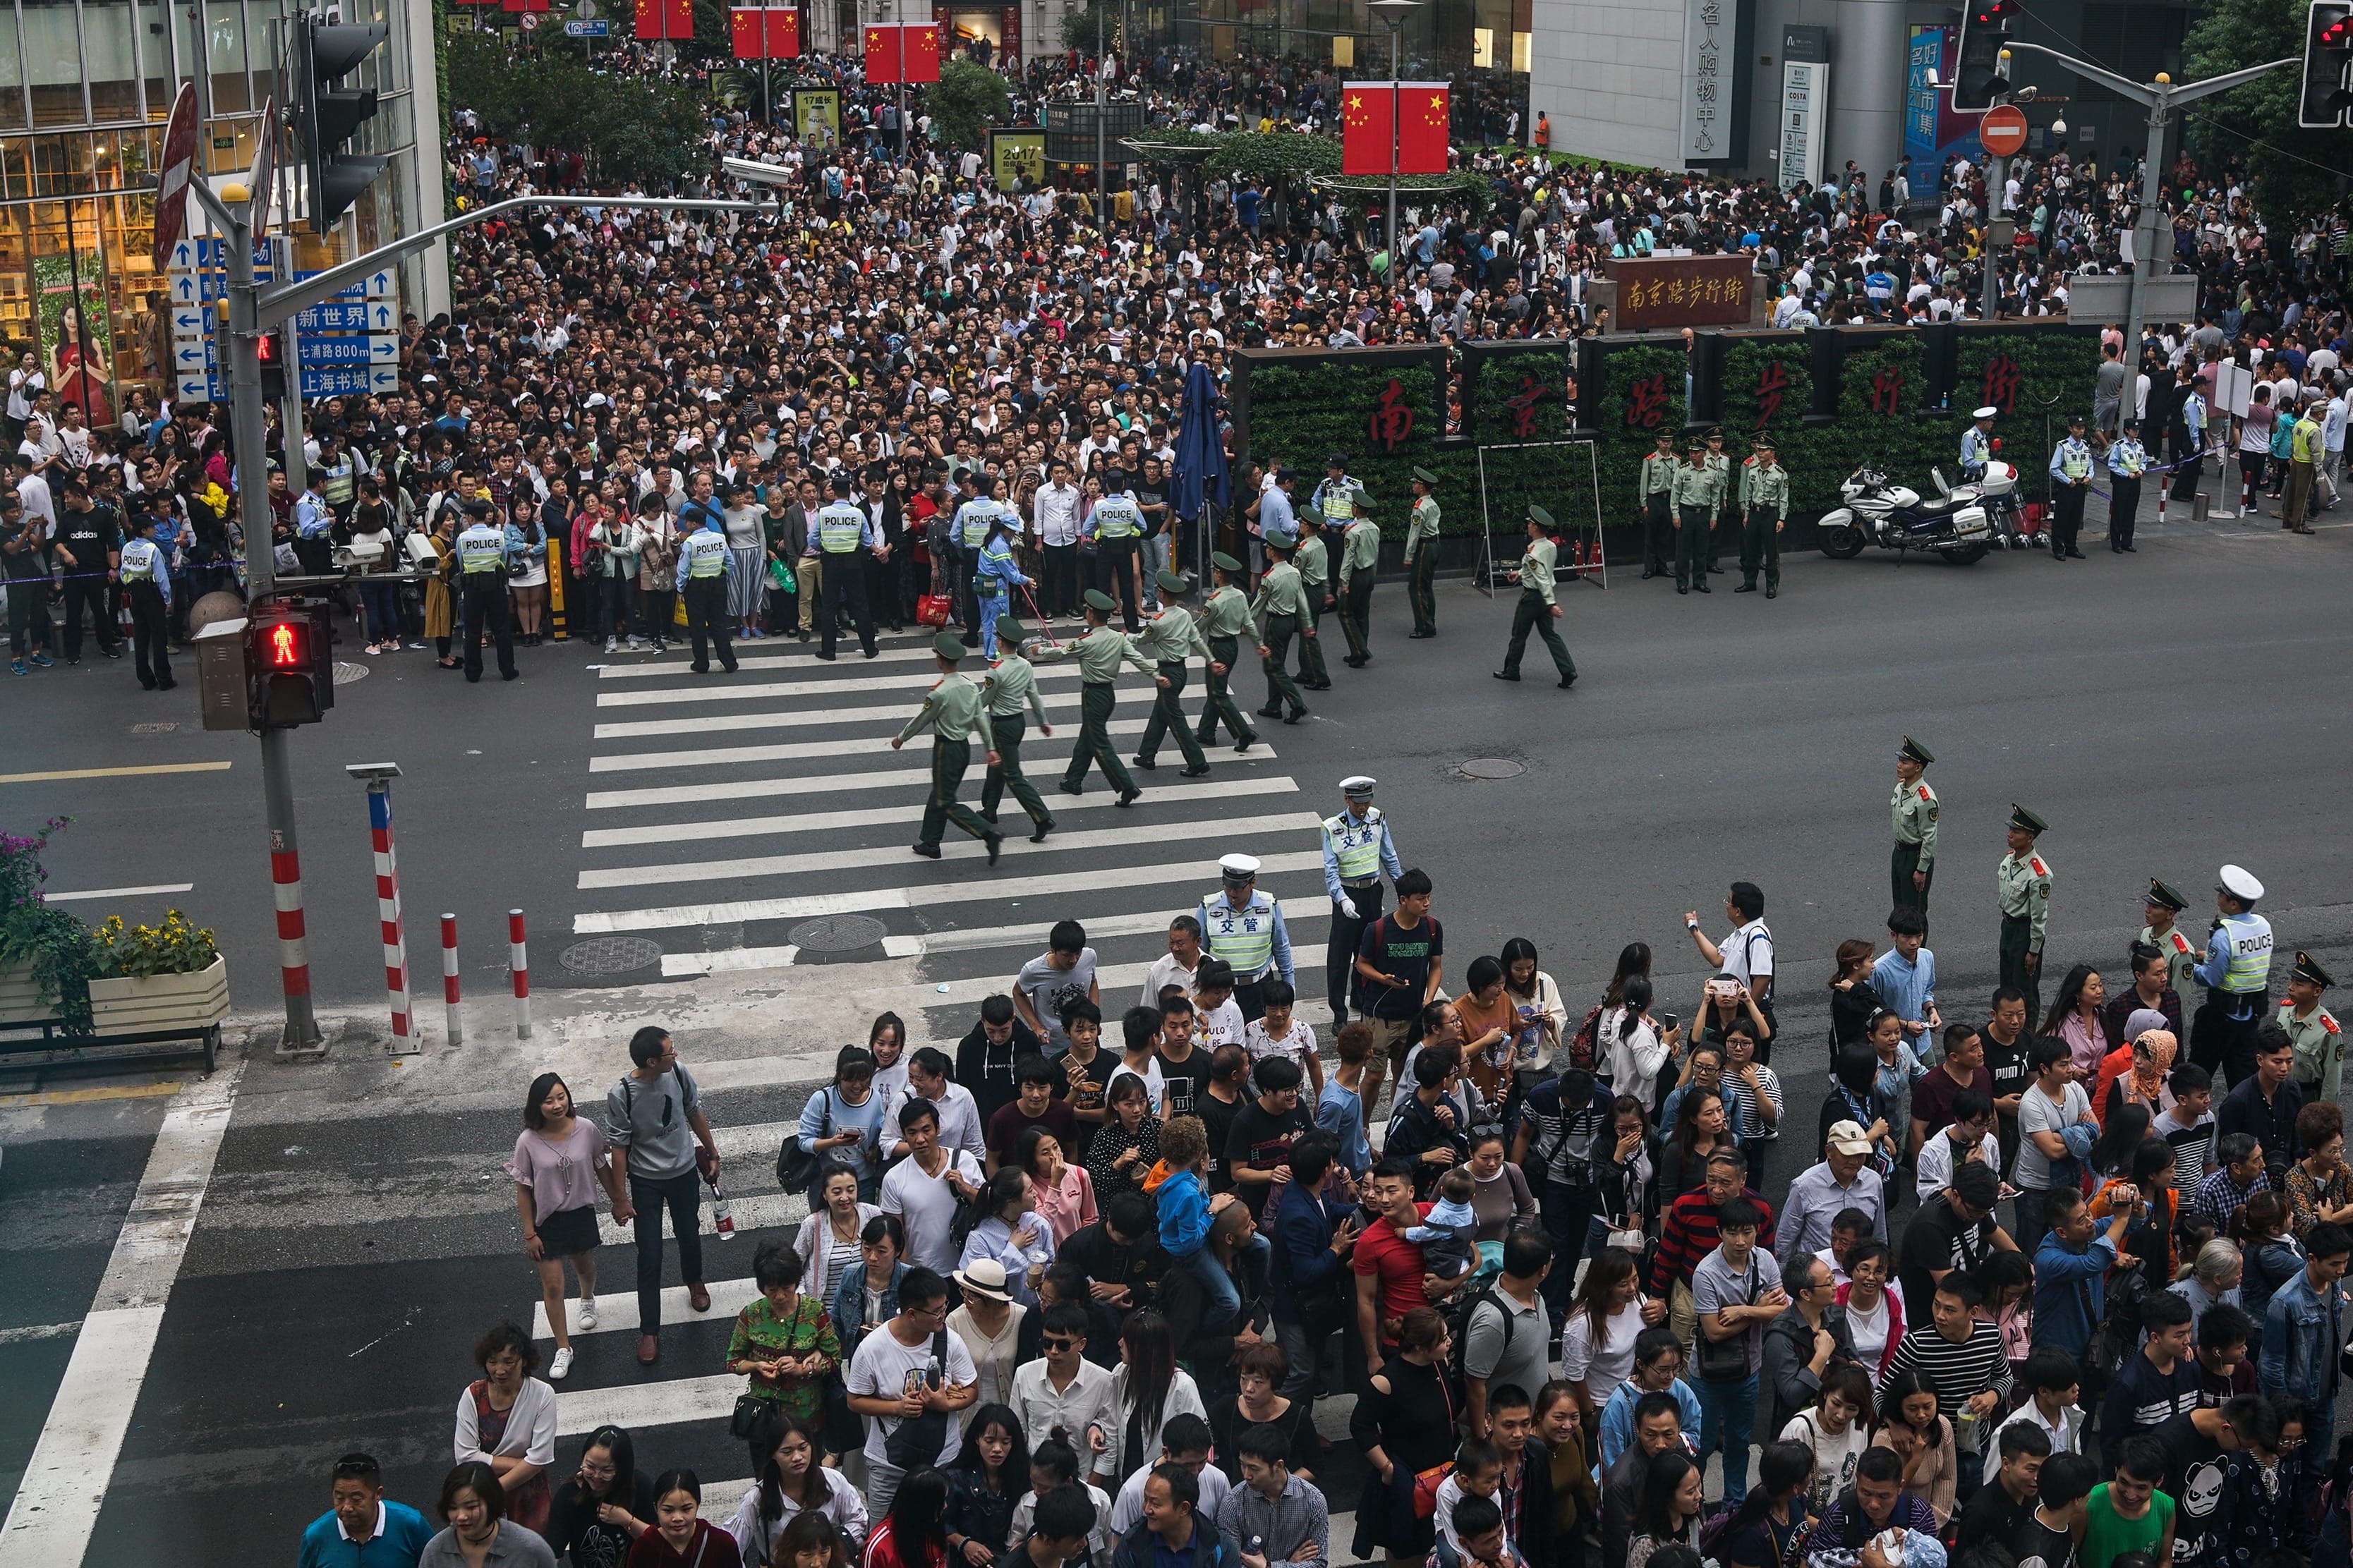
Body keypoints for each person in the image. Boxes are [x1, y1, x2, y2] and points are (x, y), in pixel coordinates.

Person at [603, 1025, 718, 1366]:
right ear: (652, 1061)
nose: (676, 1055)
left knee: (689, 1233)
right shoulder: (622, 1093)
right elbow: (619, 1150)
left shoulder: (679, 1074)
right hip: (646, 1182)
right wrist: (620, 1198)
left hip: (683, 1172)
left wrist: (711, 1152)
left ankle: (694, 1281)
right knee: (650, 1255)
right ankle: (650, 1331)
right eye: (670, 1051)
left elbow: (694, 1112)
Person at [508, 1071, 625, 1382]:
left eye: (561, 1097)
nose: (557, 1105)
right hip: (547, 1221)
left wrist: (618, 1200)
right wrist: (529, 1232)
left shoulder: (586, 1130)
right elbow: (523, 1189)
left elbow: (602, 1166)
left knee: (584, 1266)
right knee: (553, 1285)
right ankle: (564, 1347)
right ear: (537, 1106)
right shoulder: (528, 1142)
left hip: (579, 1214)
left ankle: (587, 1299)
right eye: (549, 1101)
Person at [847, 1267, 980, 1517]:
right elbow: (855, 1400)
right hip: (889, 1463)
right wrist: (897, 1408)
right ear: (912, 1314)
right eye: (936, 1311)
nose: (944, 1315)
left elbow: (972, 1389)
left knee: (939, 1534)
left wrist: (945, 1404)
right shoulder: (873, 1348)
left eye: (945, 1306)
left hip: (942, 1459)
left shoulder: (950, 1341)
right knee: (884, 1533)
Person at [1690, 1197, 1783, 1507]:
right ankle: (1693, 1501)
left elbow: (1780, 1311)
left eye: (1748, 1232)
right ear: (1720, 1233)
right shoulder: (1706, 1273)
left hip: (1749, 1370)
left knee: (1739, 1442)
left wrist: (1745, 1311)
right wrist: (1758, 1312)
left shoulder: (1765, 1261)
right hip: (1708, 1375)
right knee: (1700, 1446)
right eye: (1733, 1233)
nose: (1741, 1241)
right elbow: (1714, 1332)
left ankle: (1734, 1506)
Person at [1350, 1306, 1458, 1565]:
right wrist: (1386, 1467)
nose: (1449, 1342)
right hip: (1408, 1482)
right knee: (1406, 1553)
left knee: (1433, 1543)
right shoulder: (1387, 1381)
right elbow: (1360, 1425)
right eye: (1443, 1339)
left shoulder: (1439, 1364)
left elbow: (1452, 1408)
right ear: (1421, 1347)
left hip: (1441, 1474)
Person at [894, 633, 1008, 865]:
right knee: (939, 793)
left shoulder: (940, 692)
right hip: (963, 749)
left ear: (940, 660)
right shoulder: (968, 685)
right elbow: (980, 717)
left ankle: (987, 833)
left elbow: (922, 719)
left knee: (945, 800)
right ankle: (930, 842)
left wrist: (901, 738)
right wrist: (991, 747)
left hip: (946, 750)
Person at [452, 1320, 558, 1536]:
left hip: (524, 1494)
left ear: (524, 1361)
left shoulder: (542, 1395)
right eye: (493, 1362)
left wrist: (494, 1491)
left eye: (509, 1362)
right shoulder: (472, 1396)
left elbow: (540, 1456)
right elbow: (465, 1456)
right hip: (485, 1488)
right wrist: (520, 1464)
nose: (500, 1371)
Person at [2258, 1220, 2350, 1457]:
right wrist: (2285, 1411)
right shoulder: (2285, 1302)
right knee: (2290, 1467)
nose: (2342, 1270)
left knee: (2316, 1466)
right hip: (2297, 1402)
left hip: (2326, 1394)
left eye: (2345, 1262)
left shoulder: (2335, 1283)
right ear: (2311, 1259)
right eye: (2335, 1264)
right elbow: (2271, 1364)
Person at [727, 1412, 869, 1560]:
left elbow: (858, 1518)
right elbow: (730, 1545)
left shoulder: (834, 1481)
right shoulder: (757, 1499)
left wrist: (833, 1546)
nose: (797, 1457)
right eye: (787, 1452)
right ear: (773, 1455)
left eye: (803, 1448)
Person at [1322, 775, 1403, 1031]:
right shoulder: (1332, 827)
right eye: (1357, 802)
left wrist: (1402, 888)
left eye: (1366, 802)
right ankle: (1339, 1012)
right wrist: (1342, 899)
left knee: (1369, 949)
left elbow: (1388, 855)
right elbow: (1330, 870)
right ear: (1347, 799)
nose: (1362, 807)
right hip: (1348, 893)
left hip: (1372, 892)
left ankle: (1360, 996)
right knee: (1340, 954)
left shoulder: (1378, 818)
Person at [1760, 1252, 1858, 1439]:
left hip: (1840, 1422)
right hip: (1799, 1430)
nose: (1836, 1286)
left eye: (1833, 1279)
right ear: (1805, 1294)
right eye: (1828, 1283)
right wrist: (1821, 1357)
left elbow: (1853, 1360)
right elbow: (1792, 1395)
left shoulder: (1836, 1317)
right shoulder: (1780, 1335)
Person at [883, 1098, 987, 1274]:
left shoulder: (964, 1160)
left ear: (938, 1129)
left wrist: (965, 1188)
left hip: (966, 1269)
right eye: (912, 1133)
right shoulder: (894, 1178)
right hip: (921, 1273)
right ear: (904, 1135)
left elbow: (990, 1206)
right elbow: (897, 1235)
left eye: (926, 1130)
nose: (920, 1139)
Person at [979, 615, 1058, 844]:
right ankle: (989, 808)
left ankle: (1042, 817)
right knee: (997, 766)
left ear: (1001, 642)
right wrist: (1043, 721)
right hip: (1018, 723)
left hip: (1002, 725)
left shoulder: (995, 671)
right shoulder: (1025, 665)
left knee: (1012, 775)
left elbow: (983, 700)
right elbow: (1034, 695)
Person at [2193, 865, 2275, 1085]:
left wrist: (2190, 967)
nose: (2218, 897)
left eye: (2222, 895)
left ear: (2234, 904)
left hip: (2221, 1017)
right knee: (2243, 1081)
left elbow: (2211, 978)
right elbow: (2245, 960)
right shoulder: (2263, 925)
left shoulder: (2224, 935)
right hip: (2250, 1016)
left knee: (2197, 1076)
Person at [1803, 1445, 1947, 1568]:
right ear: (1858, 1481)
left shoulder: (1918, 1515)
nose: (1873, 1504)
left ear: (1900, 1487)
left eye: (1884, 1496)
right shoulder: (1839, 1512)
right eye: (1866, 1493)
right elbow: (1808, 1560)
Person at [2033, 1185, 2131, 1367]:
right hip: (2057, 1356)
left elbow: (2136, 1221)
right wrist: (2121, 1217)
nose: (2090, 1222)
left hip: (2090, 1347)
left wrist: (2135, 1202)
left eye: (2088, 1213)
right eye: (2081, 1220)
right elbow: (2094, 1263)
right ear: (2061, 1232)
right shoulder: (2048, 1260)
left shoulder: (2086, 1233)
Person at [1216, 1420, 1329, 1568]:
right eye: (1242, 1465)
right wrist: (1289, 1565)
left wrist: (1268, 1566)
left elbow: (1319, 1563)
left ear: (1278, 1466)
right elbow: (1230, 1564)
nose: (1246, 1475)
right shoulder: (1233, 1503)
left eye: (1254, 1469)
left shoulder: (1313, 1500)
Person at [1198, 856, 1295, 1026]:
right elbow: (1200, 954)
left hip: (1259, 988)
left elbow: (1281, 947)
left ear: (1252, 883)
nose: (1232, 893)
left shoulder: (1269, 905)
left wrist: (1289, 986)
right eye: (1228, 888)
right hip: (1221, 990)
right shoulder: (1208, 906)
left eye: (1238, 889)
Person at [299, 1452, 435, 1568]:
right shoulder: (315, 1536)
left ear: (378, 1494)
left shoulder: (412, 1526)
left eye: (356, 1499)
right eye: (339, 1498)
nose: (347, 1507)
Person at [1492, 505, 1578, 688]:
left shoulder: (1532, 553)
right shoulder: (1549, 546)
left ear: (1536, 527)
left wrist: (1552, 603)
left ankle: (1512, 670)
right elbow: (1543, 570)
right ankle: (1568, 670)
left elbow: (1541, 579)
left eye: (1530, 524)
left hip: (1532, 598)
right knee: (1550, 634)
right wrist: (1521, 573)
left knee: (1519, 635)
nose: (1528, 526)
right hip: (1544, 600)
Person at [548, 1425, 658, 1567]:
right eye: (590, 1467)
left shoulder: (640, 1486)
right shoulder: (569, 1494)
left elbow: (660, 1543)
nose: (597, 1476)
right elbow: (552, 1550)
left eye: (607, 1471)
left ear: (623, 1469)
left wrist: (626, 1520)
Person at [417, 1461, 559, 1568]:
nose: (461, 1516)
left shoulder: (531, 1548)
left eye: (471, 1507)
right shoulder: (435, 1552)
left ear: (491, 1502)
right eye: (453, 1507)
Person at [944, 1404, 1031, 1567]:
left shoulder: (1024, 1476)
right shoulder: (957, 1478)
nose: (997, 1449)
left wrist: (1023, 1543)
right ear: (977, 1439)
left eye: (1005, 1442)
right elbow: (941, 1523)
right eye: (990, 1441)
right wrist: (964, 1543)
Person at [1779, 1363, 1873, 1514]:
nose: (1841, 1415)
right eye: (1836, 1404)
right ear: (1825, 1394)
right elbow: (1783, 1489)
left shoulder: (1858, 1426)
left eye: (1851, 1409)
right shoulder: (1799, 1429)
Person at [1193, 553, 1261, 754]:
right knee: (1216, 690)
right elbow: (1248, 623)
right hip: (1233, 646)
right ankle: (1206, 731)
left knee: (1218, 693)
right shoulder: (1240, 595)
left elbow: (1199, 628)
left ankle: (1243, 731)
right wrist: (1259, 643)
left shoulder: (1214, 602)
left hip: (1218, 647)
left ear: (1220, 575)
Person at [811, 473, 883, 661]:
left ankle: (829, 651)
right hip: (853, 561)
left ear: (833, 492)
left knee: (829, 607)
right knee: (860, 605)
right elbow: (867, 540)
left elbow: (812, 540)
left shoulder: (823, 513)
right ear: (850, 491)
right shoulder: (857, 513)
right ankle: (870, 648)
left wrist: (825, 546)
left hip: (831, 561)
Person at [1995, 807, 2053, 1033]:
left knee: (2025, 990)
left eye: (2016, 831)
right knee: (2007, 983)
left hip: (2024, 932)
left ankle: (2026, 1037)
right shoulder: (2010, 860)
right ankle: (2005, 1028)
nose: (2010, 834)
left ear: (2029, 837)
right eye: (2010, 828)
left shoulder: (2039, 874)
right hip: (2008, 927)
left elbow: (2039, 917)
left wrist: (2034, 951)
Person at [1952, 1421, 2047, 1550]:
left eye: (2043, 1469)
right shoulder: (1978, 1514)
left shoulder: (2031, 1494)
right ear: (2006, 1464)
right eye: (2031, 1470)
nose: (2037, 1478)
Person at [1109, 1463, 1224, 1568]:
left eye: (1156, 1504)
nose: (1147, 1509)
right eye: (1145, 1500)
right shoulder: (1132, 1543)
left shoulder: (1218, 1548)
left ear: (1184, 1508)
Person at [456, 499, 521, 682]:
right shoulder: (498, 536)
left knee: (474, 631)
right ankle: (508, 670)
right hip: (495, 585)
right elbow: (503, 558)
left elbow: (462, 564)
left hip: (473, 588)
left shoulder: (463, 539)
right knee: (501, 629)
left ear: (469, 517)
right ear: (486, 516)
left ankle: (473, 672)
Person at [675, 492, 739, 674]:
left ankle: (702, 664)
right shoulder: (720, 538)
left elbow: (683, 570)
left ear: (694, 524)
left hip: (696, 587)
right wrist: (722, 578)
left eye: (688, 522)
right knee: (719, 624)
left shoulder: (690, 543)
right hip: (718, 585)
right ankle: (729, 662)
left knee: (698, 626)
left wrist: (680, 588)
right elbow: (730, 563)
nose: (686, 525)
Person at [2278, 951, 2343, 1102]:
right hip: (2280, 1090)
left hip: (2307, 1096)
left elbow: (2332, 1080)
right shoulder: (2284, 1011)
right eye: (2291, 981)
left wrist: (2324, 1114)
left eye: (2299, 984)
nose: (2291, 987)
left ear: (2317, 991)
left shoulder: (2328, 1031)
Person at [1734, 435, 1789, 598]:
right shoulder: (1752, 471)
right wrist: (1746, 514)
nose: (1760, 452)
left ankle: (1771, 585)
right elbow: (1748, 493)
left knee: (1771, 552)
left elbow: (1783, 498)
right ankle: (1749, 582)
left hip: (1770, 515)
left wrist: (1781, 519)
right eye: (1759, 449)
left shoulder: (1780, 474)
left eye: (1764, 450)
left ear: (1772, 453)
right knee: (1751, 549)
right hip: (1754, 514)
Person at [866, 1468, 953, 1568]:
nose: (946, 1506)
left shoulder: (934, 1531)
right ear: (923, 1507)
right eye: (941, 1502)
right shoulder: (880, 1548)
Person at [1000, 1483, 1101, 1568]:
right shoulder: (1013, 1565)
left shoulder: (1077, 1538)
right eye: (1076, 1539)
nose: (1084, 1543)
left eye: (1084, 1535)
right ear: (1048, 1540)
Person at [2047, 413, 2094, 559]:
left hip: (2080, 486)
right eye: (2078, 428)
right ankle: (2058, 548)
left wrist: (2089, 476)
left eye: (2083, 428)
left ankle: (2071, 546)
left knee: (2075, 518)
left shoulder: (2085, 446)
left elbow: (2091, 465)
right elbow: (2053, 468)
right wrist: (2068, 481)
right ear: (2070, 429)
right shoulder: (2063, 446)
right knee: (2062, 518)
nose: (2081, 431)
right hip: (2067, 487)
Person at [1404, 467, 1441, 637]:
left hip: (1425, 547)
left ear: (1423, 487)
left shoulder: (1419, 506)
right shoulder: (1432, 504)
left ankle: (1424, 627)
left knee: (1416, 587)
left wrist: (1409, 555)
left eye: (1416, 483)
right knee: (1426, 586)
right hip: (1435, 545)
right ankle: (1430, 621)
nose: (1414, 486)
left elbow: (1414, 533)